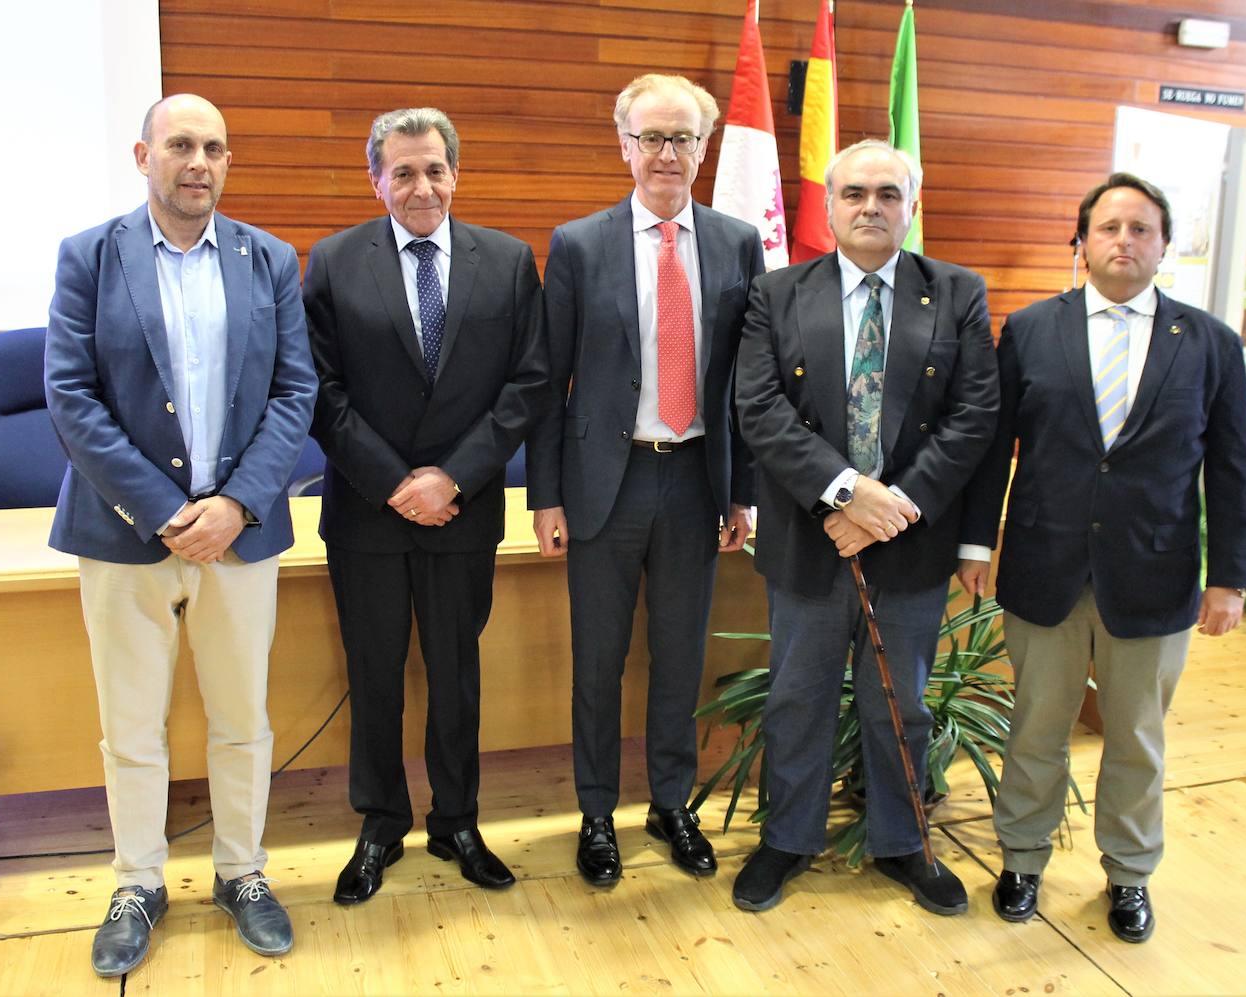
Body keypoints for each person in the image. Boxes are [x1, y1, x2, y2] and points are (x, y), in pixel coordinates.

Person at [45, 93, 317, 976]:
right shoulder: (89, 256)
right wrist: (163, 511)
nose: (199, 161)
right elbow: (71, 397)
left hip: (239, 533)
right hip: (125, 534)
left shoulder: (269, 259)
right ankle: (138, 882)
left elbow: (294, 391)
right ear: (143, 155)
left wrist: (235, 503)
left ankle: (242, 871)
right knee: (131, 724)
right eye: (182, 145)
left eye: (216, 148)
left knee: (243, 720)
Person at [958, 172, 1246, 943]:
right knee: (1035, 728)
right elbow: (995, 450)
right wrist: (974, 542)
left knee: (1137, 738)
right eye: (1109, 228)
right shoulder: (1029, 331)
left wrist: (1229, 577)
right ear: (1081, 242)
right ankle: (1022, 857)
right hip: (1044, 568)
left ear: (1164, 245)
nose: (1124, 241)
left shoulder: (1210, 343)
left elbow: (1233, 467)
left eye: (1141, 229)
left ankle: (1129, 872)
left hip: (1154, 576)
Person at [732, 139, 998, 914]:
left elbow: (975, 412)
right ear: (828, 205)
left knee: (901, 704)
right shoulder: (776, 293)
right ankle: (788, 839)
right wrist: (848, 495)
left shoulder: (956, 291)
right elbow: (759, 409)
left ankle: (902, 840)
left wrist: (891, 508)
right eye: (854, 193)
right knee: (797, 699)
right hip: (810, 537)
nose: (871, 206)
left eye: (888, 192)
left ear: (911, 204)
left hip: (908, 543)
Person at [303, 107, 547, 905]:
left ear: (455, 173)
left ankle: (458, 819)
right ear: (377, 178)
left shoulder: (508, 263)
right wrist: (394, 482)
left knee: (455, 671)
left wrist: (454, 477)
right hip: (369, 514)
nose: (421, 186)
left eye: (435, 168)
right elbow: (321, 391)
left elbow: (527, 384)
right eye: (402, 171)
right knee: (373, 672)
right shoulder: (334, 263)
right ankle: (379, 822)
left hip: (464, 509)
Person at [525, 73, 764, 886]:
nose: (667, 153)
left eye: (683, 138)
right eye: (652, 138)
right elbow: (547, 379)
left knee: (678, 654)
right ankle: (597, 812)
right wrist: (546, 493)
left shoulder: (736, 243)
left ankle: (672, 803)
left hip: (698, 479)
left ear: (704, 148)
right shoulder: (580, 243)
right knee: (597, 660)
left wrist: (745, 490)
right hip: (606, 481)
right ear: (624, 145)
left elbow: (747, 381)